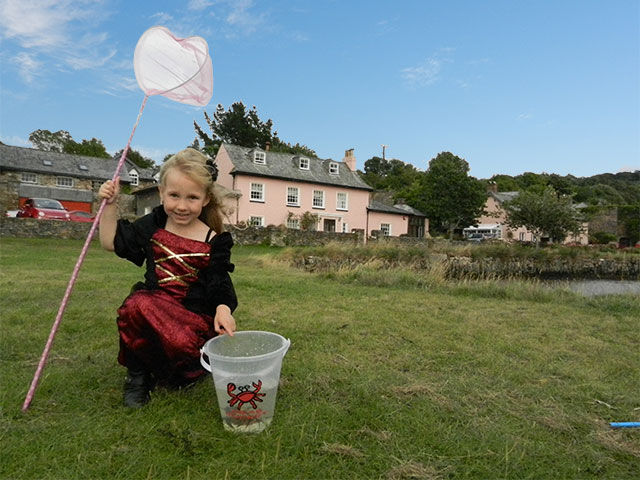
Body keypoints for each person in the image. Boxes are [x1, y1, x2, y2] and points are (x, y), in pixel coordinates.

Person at [98, 148, 237, 408]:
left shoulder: (214, 241)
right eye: (174, 195)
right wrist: (110, 204)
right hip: (151, 308)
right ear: (162, 192)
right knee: (138, 305)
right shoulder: (154, 224)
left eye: (192, 197)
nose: (182, 206)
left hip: (190, 323)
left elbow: (220, 283)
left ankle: (180, 372)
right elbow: (109, 242)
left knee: (181, 355)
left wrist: (223, 310)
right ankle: (138, 377)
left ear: (206, 199)